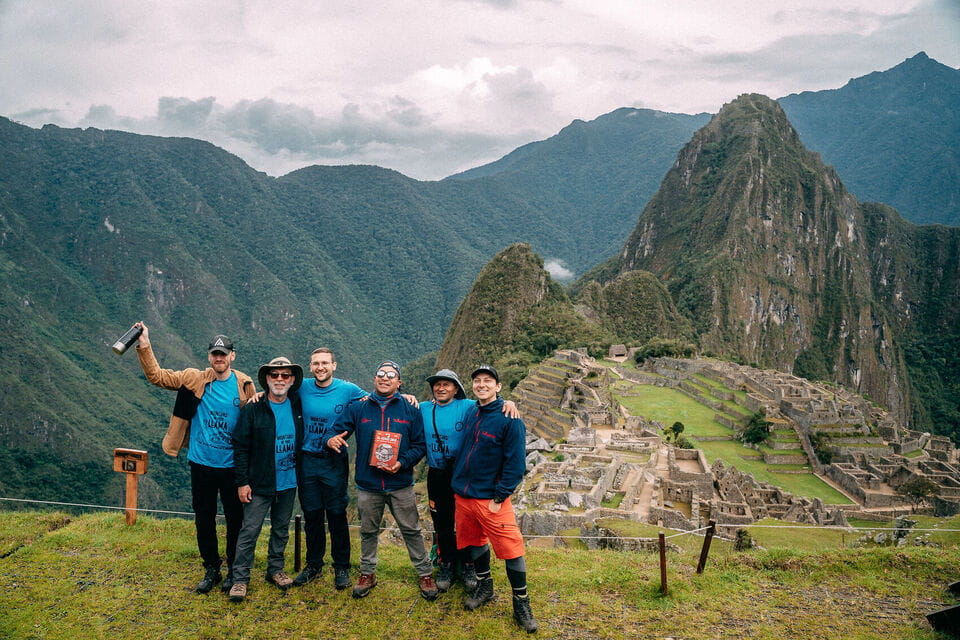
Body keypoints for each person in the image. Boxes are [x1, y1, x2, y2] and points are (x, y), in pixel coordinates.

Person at [133, 322, 256, 594]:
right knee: (204, 518)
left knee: (235, 520)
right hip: (201, 464)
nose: (219, 358)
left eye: (224, 354)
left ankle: (235, 570)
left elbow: (253, 424)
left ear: (232, 356)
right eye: (215, 354)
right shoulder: (194, 378)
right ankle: (211, 567)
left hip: (232, 466)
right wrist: (144, 345)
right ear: (209, 356)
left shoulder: (244, 384)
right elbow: (158, 377)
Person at [325, 361, 438, 601]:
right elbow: (336, 429)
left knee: (411, 530)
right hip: (369, 484)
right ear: (374, 379)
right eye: (381, 374)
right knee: (368, 531)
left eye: (391, 375)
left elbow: (419, 446)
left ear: (399, 382)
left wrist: (402, 462)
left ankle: (425, 573)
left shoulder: (410, 409)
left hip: (401, 484)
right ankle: (368, 573)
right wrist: (331, 439)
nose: (385, 378)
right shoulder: (359, 408)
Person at [451, 365, 537, 633]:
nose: (482, 384)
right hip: (464, 496)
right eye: (477, 380)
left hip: (491, 499)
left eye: (488, 381)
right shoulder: (471, 411)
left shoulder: (510, 419)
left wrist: (500, 497)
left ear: (498, 387)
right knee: (474, 543)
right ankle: (484, 586)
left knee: (511, 550)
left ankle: (521, 602)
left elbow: (515, 464)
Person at [420, 369, 519, 593]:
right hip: (436, 474)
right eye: (437, 384)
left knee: (466, 526)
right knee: (442, 524)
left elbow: (489, 403)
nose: (441, 388)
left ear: (456, 389)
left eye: (447, 384)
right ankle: (446, 564)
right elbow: (400, 405)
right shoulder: (424, 409)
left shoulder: (468, 407)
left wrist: (509, 402)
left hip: (461, 473)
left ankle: (468, 566)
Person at [228, 357, 304, 602]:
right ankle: (240, 578)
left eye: (284, 376)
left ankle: (275, 569)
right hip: (259, 482)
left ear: (292, 380)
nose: (280, 380)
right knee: (250, 530)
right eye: (275, 375)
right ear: (267, 380)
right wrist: (242, 482)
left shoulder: (296, 403)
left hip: (288, 480)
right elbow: (240, 447)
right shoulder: (253, 408)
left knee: (281, 529)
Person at [292, 348, 367, 591]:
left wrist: (404, 397)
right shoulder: (300, 386)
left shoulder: (348, 390)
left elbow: (376, 400)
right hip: (307, 459)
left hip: (333, 460)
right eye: (316, 363)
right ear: (310, 366)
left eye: (325, 363)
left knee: (336, 513)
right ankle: (314, 564)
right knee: (312, 514)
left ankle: (342, 565)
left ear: (334, 365)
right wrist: (256, 395)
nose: (320, 367)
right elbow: (276, 390)